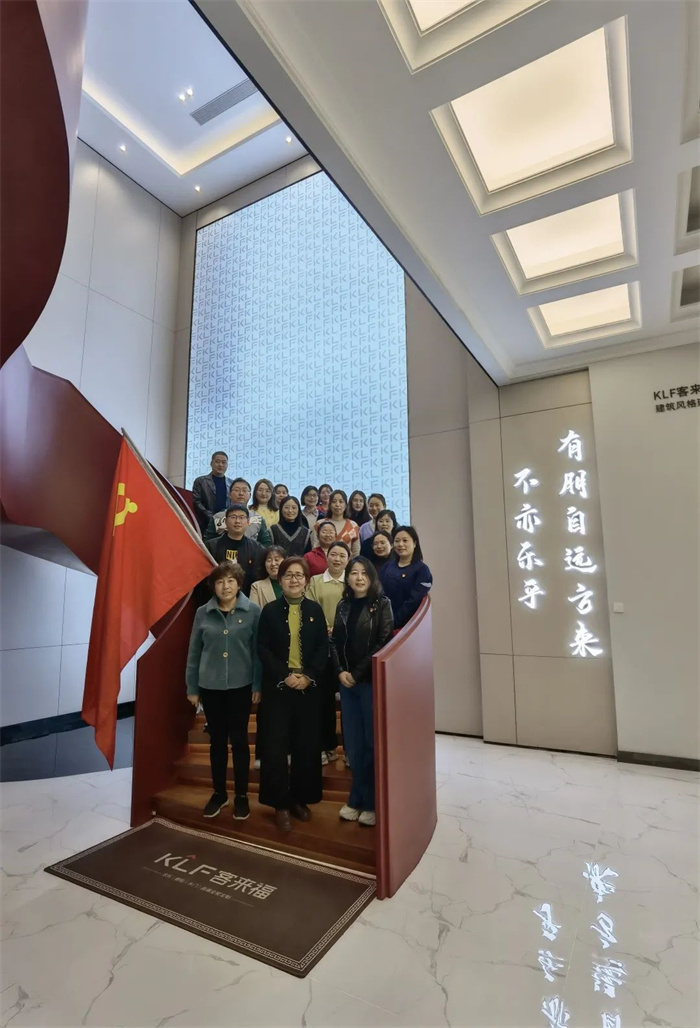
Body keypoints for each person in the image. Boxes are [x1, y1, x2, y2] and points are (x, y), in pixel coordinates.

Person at [257, 557, 328, 832]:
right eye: (288, 575)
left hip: (307, 688)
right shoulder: (270, 611)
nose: (294, 580)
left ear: (307, 581)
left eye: (299, 575)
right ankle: (280, 804)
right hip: (278, 688)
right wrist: (284, 675)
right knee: (274, 748)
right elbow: (263, 649)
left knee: (305, 746)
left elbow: (322, 648)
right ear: (280, 580)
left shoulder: (315, 610)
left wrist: (308, 675)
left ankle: (300, 799)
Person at [186, 562, 262, 821]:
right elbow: (194, 652)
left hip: (241, 686)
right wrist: (192, 687)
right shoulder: (202, 613)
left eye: (231, 580)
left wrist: (257, 684)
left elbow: (258, 652)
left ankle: (241, 796)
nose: (225, 586)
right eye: (220, 581)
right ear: (213, 586)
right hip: (211, 687)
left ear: (239, 584)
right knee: (217, 741)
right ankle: (219, 793)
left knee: (239, 741)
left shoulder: (253, 611)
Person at [331, 557, 393, 827]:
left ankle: (369, 802)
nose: (358, 577)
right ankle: (356, 798)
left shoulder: (382, 604)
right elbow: (334, 642)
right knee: (354, 745)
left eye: (363, 573)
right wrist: (339, 671)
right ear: (347, 577)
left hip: (368, 682)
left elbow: (383, 641)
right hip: (346, 684)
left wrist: (356, 673)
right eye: (353, 573)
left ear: (371, 577)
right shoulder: (343, 605)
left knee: (370, 744)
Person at [306, 541, 351, 764]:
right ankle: (327, 746)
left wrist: (339, 629)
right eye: (333, 554)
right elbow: (310, 606)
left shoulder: (352, 581)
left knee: (348, 703)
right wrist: (326, 627)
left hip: (346, 648)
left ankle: (350, 751)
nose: (337, 559)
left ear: (348, 560)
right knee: (323, 701)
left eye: (342, 555)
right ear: (327, 557)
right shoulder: (315, 581)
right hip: (321, 646)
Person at [249, 545, 286, 772]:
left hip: (292, 655)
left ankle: (287, 751)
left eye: (278, 559)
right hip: (267, 652)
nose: (274, 563)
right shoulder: (257, 586)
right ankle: (262, 754)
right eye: (269, 560)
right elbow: (256, 619)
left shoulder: (294, 582)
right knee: (266, 710)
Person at [380, 525, 433, 629]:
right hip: (384, 623)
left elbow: (413, 601)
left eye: (405, 540)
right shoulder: (387, 566)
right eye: (397, 541)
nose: (400, 544)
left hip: (408, 627)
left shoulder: (422, 570)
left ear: (414, 543)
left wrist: (394, 622)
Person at [206, 505, 263, 596]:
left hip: (247, 597)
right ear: (225, 521)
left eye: (242, 517)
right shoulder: (211, 546)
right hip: (217, 597)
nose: (237, 521)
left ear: (248, 522)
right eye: (233, 517)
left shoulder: (257, 548)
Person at [204, 478, 271, 546]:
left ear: (250, 495)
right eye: (237, 490)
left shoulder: (258, 519)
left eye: (244, 490)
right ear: (229, 494)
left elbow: (266, 544)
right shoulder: (217, 517)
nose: (241, 493)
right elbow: (207, 543)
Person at [192, 451, 231, 532]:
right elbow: (197, 502)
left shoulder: (232, 484)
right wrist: (213, 518)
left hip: (228, 525)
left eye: (224, 462)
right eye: (217, 462)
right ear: (211, 463)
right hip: (206, 524)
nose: (220, 465)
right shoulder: (201, 481)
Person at [315, 490, 360, 556]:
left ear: (346, 505)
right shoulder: (319, 524)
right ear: (329, 505)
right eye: (334, 501)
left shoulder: (353, 525)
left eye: (341, 502)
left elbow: (356, 552)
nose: (337, 504)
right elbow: (315, 548)